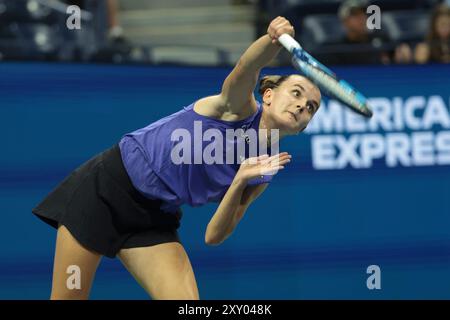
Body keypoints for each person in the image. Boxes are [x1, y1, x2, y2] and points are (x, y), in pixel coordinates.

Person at [32, 16, 321, 300]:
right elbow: (247, 66)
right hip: (104, 190)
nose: (300, 105)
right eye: (296, 93)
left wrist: (240, 180)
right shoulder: (237, 107)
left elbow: (214, 236)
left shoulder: (264, 168)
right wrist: (272, 40)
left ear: (304, 127)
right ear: (268, 95)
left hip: (154, 218)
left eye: (310, 107)